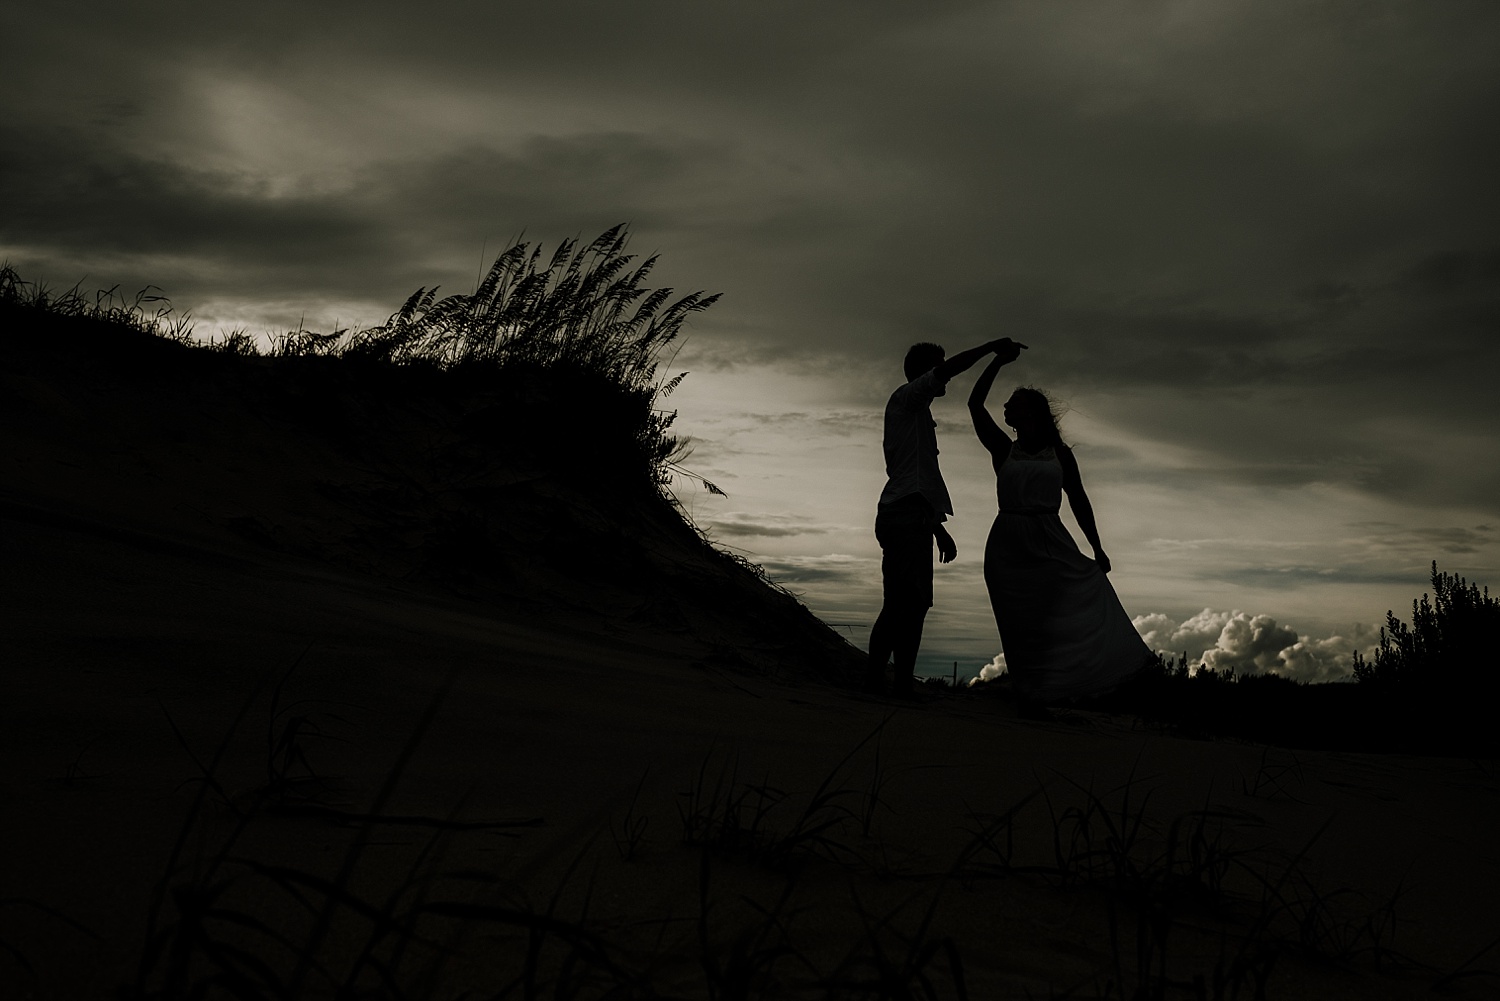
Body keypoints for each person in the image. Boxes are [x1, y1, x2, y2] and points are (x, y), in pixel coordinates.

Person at [968, 356, 1154, 714]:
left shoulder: (1060, 455)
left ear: (1032, 412)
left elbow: (1079, 501)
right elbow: (974, 404)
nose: (1006, 406)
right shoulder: (1004, 449)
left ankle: (1068, 685)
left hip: (1050, 537)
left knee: (1062, 608)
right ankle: (1030, 692)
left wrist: (1097, 547)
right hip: (1008, 542)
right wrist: (996, 360)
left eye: (1014, 402)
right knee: (1019, 622)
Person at [867, 337, 1027, 697]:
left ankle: (893, 683)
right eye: (939, 365)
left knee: (913, 603)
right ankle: (883, 684)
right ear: (925, 370)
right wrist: (990, 348)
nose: (947, 374)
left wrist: (938, 528)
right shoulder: (907, 398)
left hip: (913, 515)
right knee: (903, 602)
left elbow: (916, 480)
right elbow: (948, 370)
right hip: (903, 515)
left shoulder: (917, 412)